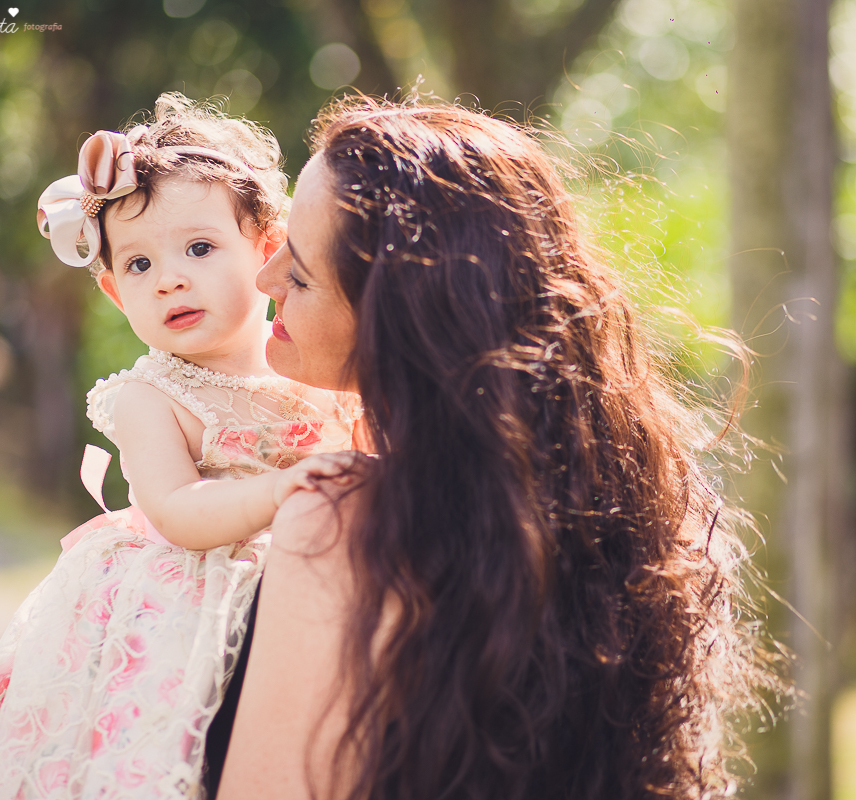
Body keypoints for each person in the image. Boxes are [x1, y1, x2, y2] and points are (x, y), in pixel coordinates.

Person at [212, 99, 769, 800]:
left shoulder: (340, 522)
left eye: (297, 274)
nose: (264, 283)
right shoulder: (641, 507)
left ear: (398, 326)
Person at [0, 94, 362, 800]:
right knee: (157, 759)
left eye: (199, 248)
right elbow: (180, 508)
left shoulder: (318, 366)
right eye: (140, 266)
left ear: (268, 248)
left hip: (307, 587)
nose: (171, 279)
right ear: (117, 295)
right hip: (180, 605)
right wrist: (282, 491)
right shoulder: (152, 396)